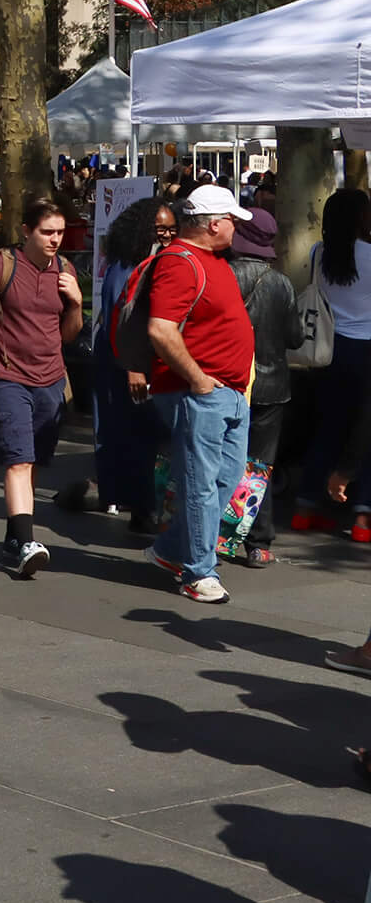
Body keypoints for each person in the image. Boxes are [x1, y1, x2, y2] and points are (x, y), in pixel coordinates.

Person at [143, 184, 257, 604]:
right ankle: (197, 571)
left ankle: (174, 552)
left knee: (224, 479)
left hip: (224, 390)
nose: (235, 227)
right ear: (213, 224)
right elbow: (160, 328)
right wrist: (197, 378)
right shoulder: (180, 262)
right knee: (203, 483)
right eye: (231, 220)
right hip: (203, 392)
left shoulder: (207, 260)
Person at [0, 197, 82, 579]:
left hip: (51, 379)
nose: (55, 240)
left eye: (60, 233)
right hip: (9, 375)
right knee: (19, 460)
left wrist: (76, 303)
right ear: (27, 231)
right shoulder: (2, 265)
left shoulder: (65, 270)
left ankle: (16, 535)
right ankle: (27, 543)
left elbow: (69, 335)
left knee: (31, 461)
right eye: (48, 232)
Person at [60, 195, 171, 532]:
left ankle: (137, 504)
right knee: (136, 439)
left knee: (137, 438)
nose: (166, 235)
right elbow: (120, 320)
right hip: (125, 364)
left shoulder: (141, 261)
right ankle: (142, 509)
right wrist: (134, 366)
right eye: (159, 229)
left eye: (171, 229)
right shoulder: (127, 265)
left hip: (129, 362)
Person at [219, 205, 298, 568]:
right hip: (272, 386)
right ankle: (259, 542)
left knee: (222, 460)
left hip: (230, 381)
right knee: (258, 465)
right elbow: (295, 338)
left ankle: (221, 535)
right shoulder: (281, 282)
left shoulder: (223, 276)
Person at [303, 188, 371, 541]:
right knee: (366, 430)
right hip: (366, 350)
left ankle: (306, 505)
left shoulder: (318, 253)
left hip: (327, 351)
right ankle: (362, 515)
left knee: (328, 427)